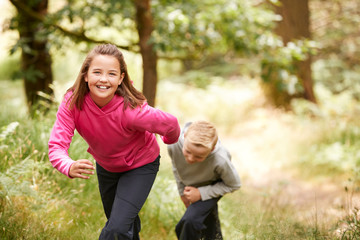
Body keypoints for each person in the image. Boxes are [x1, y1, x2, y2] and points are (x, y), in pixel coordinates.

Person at [48, 43, 180, 240]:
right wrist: (68, 165)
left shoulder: (132, 111)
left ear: (121, 79)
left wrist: (170, 140)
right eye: (97, 72)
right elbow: (57, 145)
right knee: (122, 226)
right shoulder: (73, 102)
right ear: (86, 75)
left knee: (116, 229)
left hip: (140, 165)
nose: (103, 79)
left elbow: (170, 123)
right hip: (107, 167)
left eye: (111, 74)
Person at [167, 121, 241, 240]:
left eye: (199, 157)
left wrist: (201, 193)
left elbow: (234, 184)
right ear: (185, 136)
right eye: (188, 152)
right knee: (208, 227)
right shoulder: (174, 144)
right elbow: (177, 167)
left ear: (211, 150)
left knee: (189, 222)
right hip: (192, 186)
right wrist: (182, 191)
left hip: (212, 185)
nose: (190, 159)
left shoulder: (220, 159)